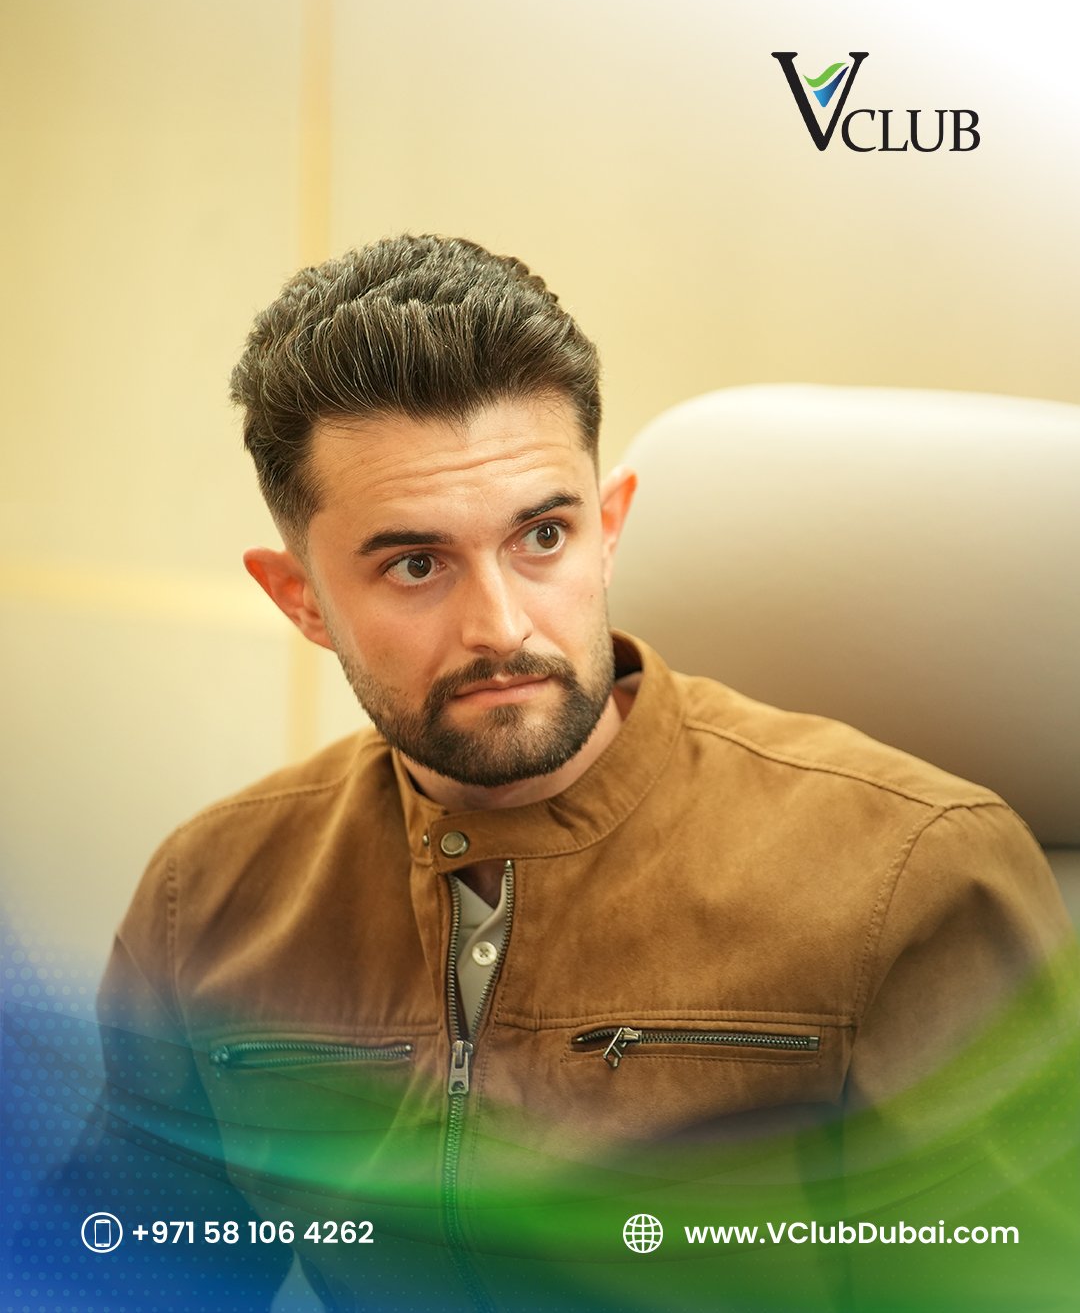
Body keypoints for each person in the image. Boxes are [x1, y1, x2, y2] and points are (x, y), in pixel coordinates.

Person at [84, 236, 1072, 1311]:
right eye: (415, 564)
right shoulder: (209, 898)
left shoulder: (917, 874)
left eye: (543, 537)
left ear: (609, 530)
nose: (501, 626)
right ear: (302, 599)